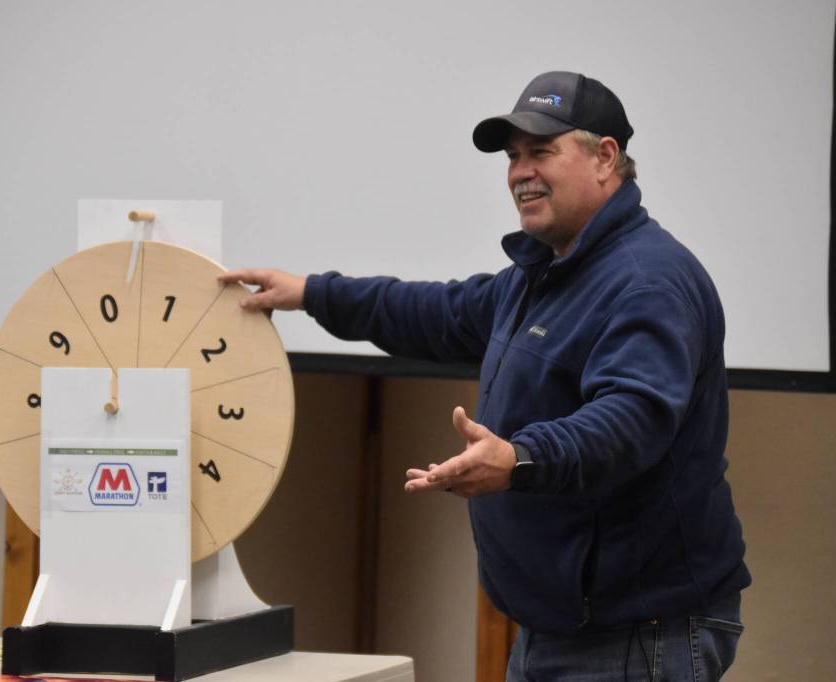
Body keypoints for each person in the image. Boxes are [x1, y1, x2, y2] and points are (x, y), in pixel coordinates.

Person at [219, 71, 751, 681]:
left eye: (541, 152)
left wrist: (520, 458)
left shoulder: (645, 282)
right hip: (564, 626)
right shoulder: (545, 274)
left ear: (606, 158)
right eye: (513, 157)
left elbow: (630, 421)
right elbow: (437, 312)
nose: (521, 173)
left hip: (637, 635)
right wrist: (313, 293)